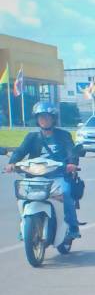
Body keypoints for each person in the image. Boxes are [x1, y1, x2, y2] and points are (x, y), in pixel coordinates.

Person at [5, 101, 82, 251]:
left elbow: (71, 152)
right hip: (35, 176)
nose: (44, 120)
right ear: (37, 119)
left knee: (66, 193)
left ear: (53, 119)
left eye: (47, 117)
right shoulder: (32, 137)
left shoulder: (63, 136)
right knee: (22, 196)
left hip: (58, 175)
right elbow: (20, 151)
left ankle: (73, 227)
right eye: (41, 117)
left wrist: (71, 163)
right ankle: (26, 224)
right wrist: (12, 163)